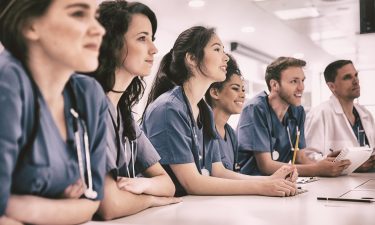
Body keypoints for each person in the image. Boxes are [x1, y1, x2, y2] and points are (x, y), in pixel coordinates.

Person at [141, 26, 298, 198]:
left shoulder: (204, 110)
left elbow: (219, 171)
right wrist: (261, 187)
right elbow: (192, 183)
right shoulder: (168, 108)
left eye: (224, 51)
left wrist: (268, 181)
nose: (226, 58)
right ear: (192, 59)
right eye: (217, 49)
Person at [0, 0, 107, 224]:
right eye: (78, 13)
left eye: (95, 16)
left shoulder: (88, 95)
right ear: (30, 26)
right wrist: (61, 207)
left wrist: (19, 205)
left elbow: (92, 202)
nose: (99, 29)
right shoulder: (7, 82)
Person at [88, 0, 179, 220]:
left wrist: (141, 183)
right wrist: (151, 199)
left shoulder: (123, 113)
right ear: (112, 43)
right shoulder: (92, 104)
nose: (154, 49)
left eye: (152, 39)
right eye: (142, 38)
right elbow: (111, 206)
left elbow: (168, 184)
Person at [237, 57, 351, 177]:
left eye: (302, 80)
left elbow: (300, 158)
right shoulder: (255, 109)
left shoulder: (297, 111)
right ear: (274, 84)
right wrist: (317, 169)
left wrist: (327, 165)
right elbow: (266, 166)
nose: (301, 87)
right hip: (252, 186)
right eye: (294, 81)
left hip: (280, 183)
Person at [305, 60, 375, 172]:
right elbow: (309, 157)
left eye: (356, 75)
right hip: (339, 185)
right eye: (347, 77)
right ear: (332, 86)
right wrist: (353, 164)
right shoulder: (320, 113)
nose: (356, 81)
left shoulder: (365, 114)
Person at [204, 54, 244, 171]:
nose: (242, 95)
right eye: (235, 89)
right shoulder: (203, 130)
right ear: (215, 93)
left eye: (243, 90)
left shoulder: (231, 134)